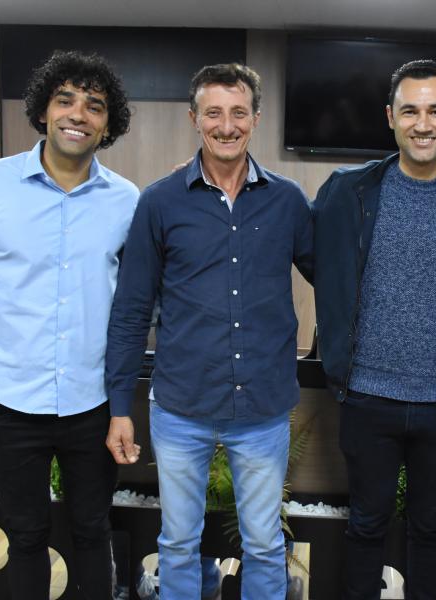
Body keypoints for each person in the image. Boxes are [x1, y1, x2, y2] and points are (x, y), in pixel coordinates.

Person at [0, 50, 138, 599]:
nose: (78, 114)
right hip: (8, 399)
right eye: (65, 100)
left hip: (91, 403)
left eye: (94, 106)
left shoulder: (126, 201)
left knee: (93, 531)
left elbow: (136, 306)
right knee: (25, 537)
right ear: (43, 110)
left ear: (108, 124)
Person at [104, 63, 313, 600]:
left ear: (256, 119)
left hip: (262, 410)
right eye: (213, 113)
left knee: (264, 544)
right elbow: (131, 308)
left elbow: (334, 277)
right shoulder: (160, 202)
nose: (226, 125)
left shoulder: (288, 201)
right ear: (193, 119)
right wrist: (120, 405)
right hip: (181, 408)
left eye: (238, 113)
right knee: (177, 544)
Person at [312, 59, 436, 599]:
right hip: (366, 395)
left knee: (430, 528)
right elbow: (311, 252)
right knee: (365, 525)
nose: (422, 124)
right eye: (410, 111)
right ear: (390, 117)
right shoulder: (348, 190)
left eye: (435, 111)